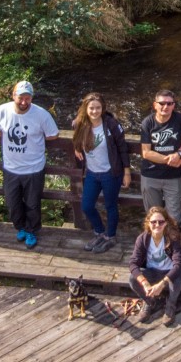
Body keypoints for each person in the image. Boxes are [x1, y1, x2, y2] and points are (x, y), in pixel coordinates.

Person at [0, 81, 59, 249]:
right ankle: (20, 227)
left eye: (28, 98)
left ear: (32, 97)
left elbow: (53, 135)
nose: (24, 102)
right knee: (13, 203)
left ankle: (31, 230)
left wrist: (36, 140)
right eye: (20, 98)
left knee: (33, 203)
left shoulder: (41, 115)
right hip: (11, 168)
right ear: (13, 96)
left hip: (34, 168)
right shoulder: (2, 111)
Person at [72, 92, 131, 254]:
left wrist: (127, 172)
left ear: (103, 108)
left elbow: (122, 148)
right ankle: (99, 231)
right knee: (87, 205)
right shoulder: (80, 123)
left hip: (110, 173)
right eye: (91, 108)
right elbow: (75, 136)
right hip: (92, 172)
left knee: (110, 205)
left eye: (98, 108)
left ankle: (110, 236)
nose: (94, 111)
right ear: (86, 108)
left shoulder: (111, 124)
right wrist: (76, 147)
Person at [140, 89, 181, 224]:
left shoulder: (180, 119)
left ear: (174, 105)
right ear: (155, 105)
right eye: (162, 103)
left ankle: (172, 243)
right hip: (150, 175)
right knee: (153, 216)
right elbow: (146, 152)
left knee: (173, 217)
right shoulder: (147, 122)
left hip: (172, 176)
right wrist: (169, 159)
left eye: (169, 103)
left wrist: (179, 153)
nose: (165, 107)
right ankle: (156, 243)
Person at [129, 207, 181, 326]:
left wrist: (162, 284)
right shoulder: (142, 239)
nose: (157, 225)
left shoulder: (172, 238)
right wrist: (144, 283)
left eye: (161, 222)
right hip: (151, 271)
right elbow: (133, 263)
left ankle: (170, 305)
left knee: (178, 278)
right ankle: (149, 301)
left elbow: (178, 264)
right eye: (153, 222)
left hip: (168, 272)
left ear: (166, 223)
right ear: (148, 223)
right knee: (132, 279)